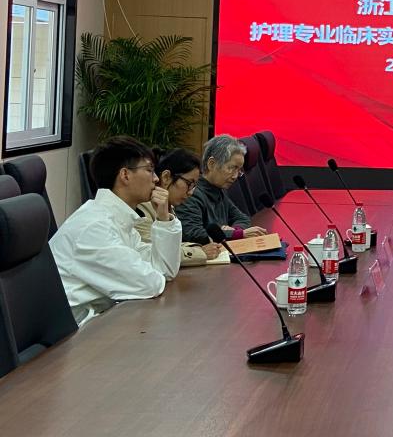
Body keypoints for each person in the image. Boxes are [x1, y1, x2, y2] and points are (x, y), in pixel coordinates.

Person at [49, 136, 182, 326]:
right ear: (125, 175)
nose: (156, 179)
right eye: (149, 170)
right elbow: (149, 284)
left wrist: (163, 218)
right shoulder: (94, 227)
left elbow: (164, 270)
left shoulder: (117, 219)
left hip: (99, 322)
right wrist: (153, 274)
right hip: (73, 334)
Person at [135, 148, 224, 267]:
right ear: (166, 177)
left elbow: (174, 246)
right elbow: (155, 254)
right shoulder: (142, 208)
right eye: (189, 184)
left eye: (194, 186)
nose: (191, 192)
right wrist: (200, 252)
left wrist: (198, 249)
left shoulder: (169, 206)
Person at [175, 134, 267, 244]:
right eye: (232, 168)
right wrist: (236, 234)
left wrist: (235, 230)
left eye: (238, 171)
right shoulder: (191, 193)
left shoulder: (219, 189)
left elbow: (243, 218)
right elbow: (193, 233)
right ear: (211, 164)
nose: (235, 176)